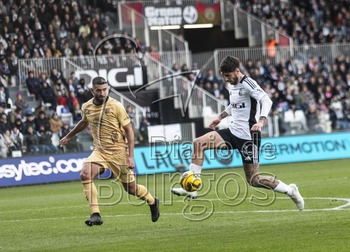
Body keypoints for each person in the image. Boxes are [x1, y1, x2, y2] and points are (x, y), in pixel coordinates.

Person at [171, 56, 304, 211]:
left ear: (237, 71)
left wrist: (261, 121)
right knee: (198, 143)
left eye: (228, 76)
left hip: (249, 136)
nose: (226, 79)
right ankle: (192, 188)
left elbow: (266, 100)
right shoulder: (232, 85)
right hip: (233, 132)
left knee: (254, 180)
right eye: (224, 76)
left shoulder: (248, 83)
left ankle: (291, 191)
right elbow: (234, 105)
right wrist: (219, 118)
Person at [59, 77, 159, 226]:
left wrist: (131, 156)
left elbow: (129, 130)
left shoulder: (116, 106)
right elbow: (83, 122)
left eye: (105, 89)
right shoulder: (87, 107)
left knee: (131, 189)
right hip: (100, 152)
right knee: (85, 173)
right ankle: (95, 214)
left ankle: (152, 201)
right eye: (98, 90)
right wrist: (68, 136)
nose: (102, 93)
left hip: (119, 152)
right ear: (92, 90)